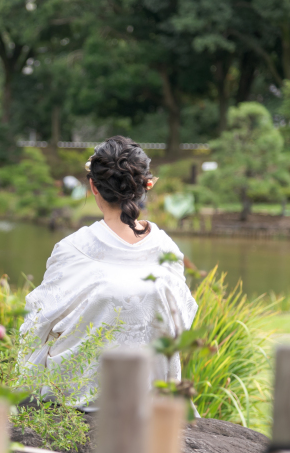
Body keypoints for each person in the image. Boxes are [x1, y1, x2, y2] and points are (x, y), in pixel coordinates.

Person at [17, 136, 198, 410]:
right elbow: (181, 323)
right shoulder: (166, 248)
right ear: (145, 186)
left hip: (78, 396)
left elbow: (37, 323)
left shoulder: (75, 249)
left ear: (93, 187)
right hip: (149, 397)